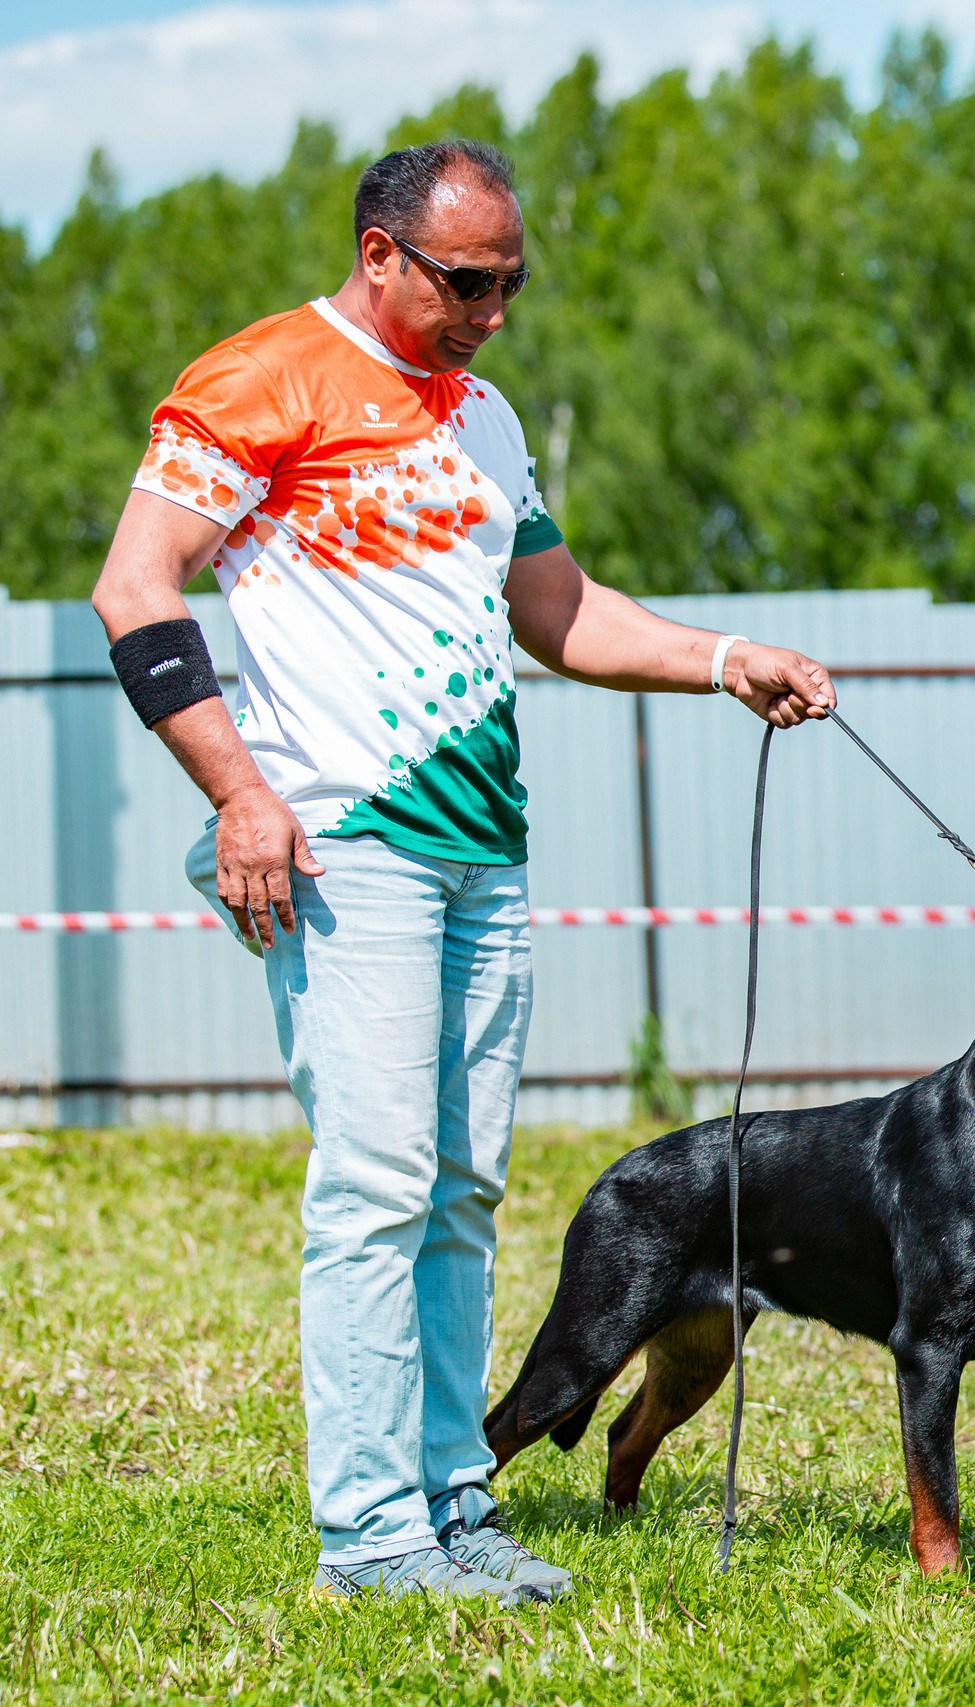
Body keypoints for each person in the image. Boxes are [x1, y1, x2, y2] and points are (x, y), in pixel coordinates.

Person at [88, 141, 838, 1601]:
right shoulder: (263, 377)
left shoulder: (486, 420)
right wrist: (239, 792)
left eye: (510, 283)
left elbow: (558, 611)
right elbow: (135, 583)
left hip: (482, 850)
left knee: (460, 1188)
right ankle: (369, 1536)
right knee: (373, 1186)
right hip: (342, 843)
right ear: (381, 254)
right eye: (467, 282)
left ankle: (454, 1500)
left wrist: (725, 658)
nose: (493, 310)